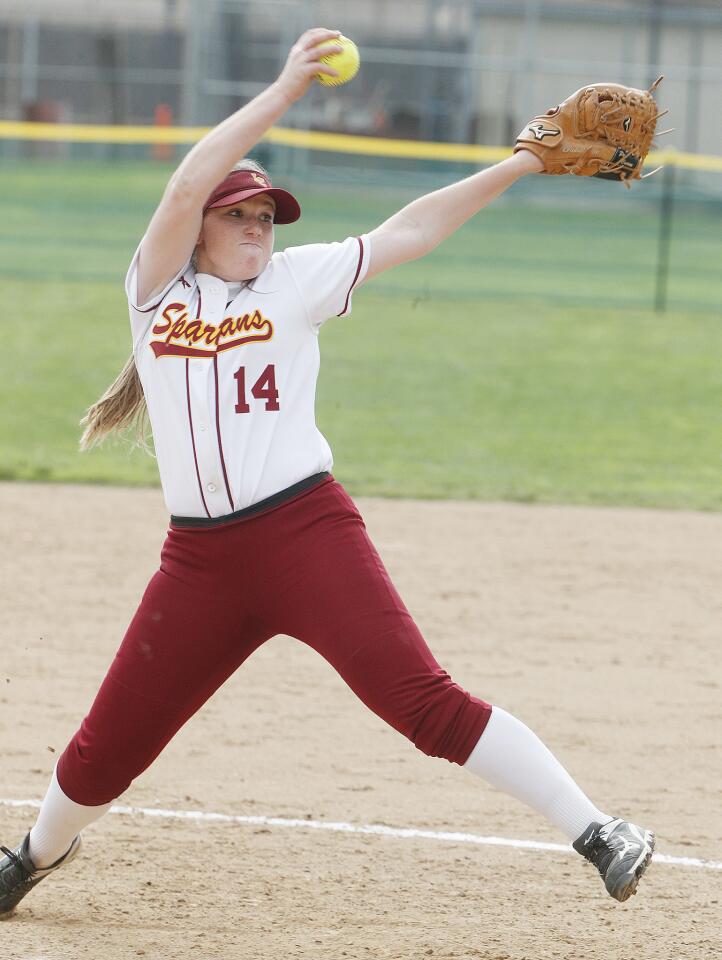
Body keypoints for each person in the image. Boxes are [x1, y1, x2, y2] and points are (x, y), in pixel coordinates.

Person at [0, 27, 654, 916]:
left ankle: (597, 829)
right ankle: (33, 856)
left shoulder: (295, 283)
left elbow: (411, 229)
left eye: (268, 216)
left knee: (423, 703)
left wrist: (522, 164)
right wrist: (280, 95)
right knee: (111, 745)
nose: (260, 226)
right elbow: (190, 178)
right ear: (197, 230)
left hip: (305, 534)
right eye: (243, 214)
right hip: (199, 564)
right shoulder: (158, 292)